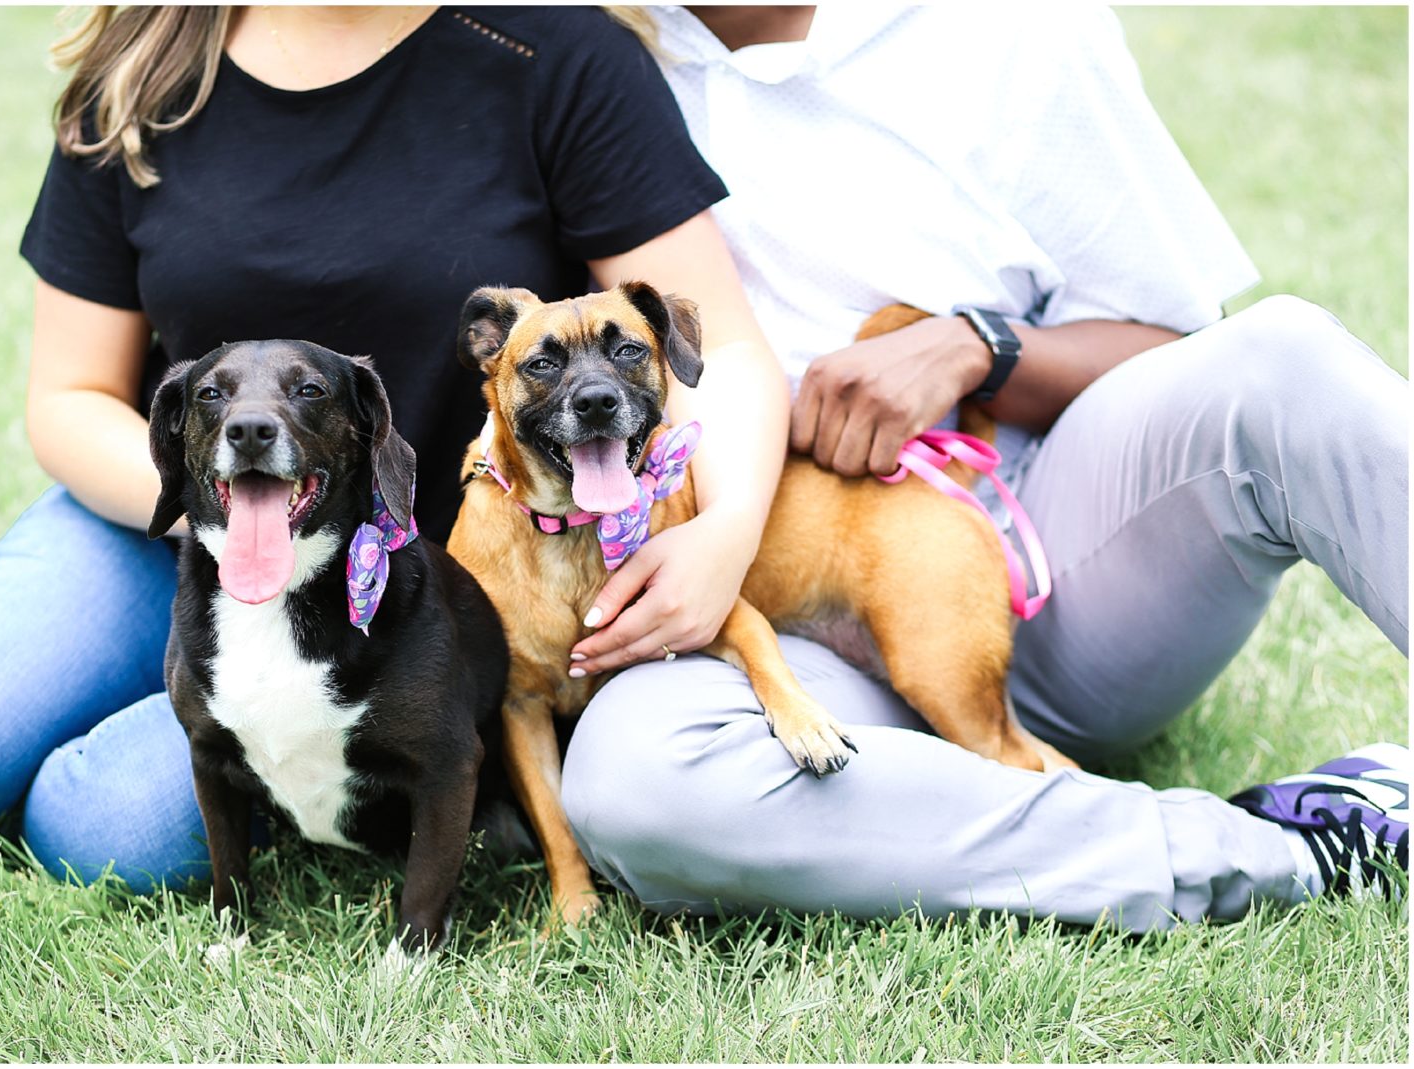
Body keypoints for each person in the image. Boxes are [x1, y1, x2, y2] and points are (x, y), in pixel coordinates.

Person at [0, 4, 792, 892]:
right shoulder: (141, 72)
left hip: (392, 596)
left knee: (105, 825)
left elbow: (732, 350)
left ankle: (60, 718)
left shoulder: (556, 53)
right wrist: (241, 528)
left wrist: (730, 530)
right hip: (159, 523)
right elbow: (70, 395)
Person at [561, 5, 1410, 929]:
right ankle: (1285, 844)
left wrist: (980, 348)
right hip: (789, 637)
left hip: (1054, 563)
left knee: (1283, 362)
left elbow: (1171, 341)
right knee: (631, 774)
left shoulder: (1009, 26)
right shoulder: (580, 60)